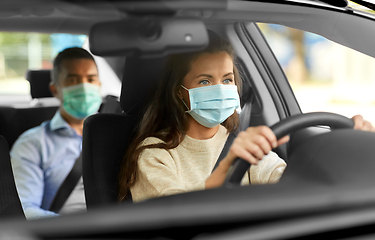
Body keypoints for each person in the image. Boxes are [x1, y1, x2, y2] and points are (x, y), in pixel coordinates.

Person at [118, 31, 375, 203]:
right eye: (205, 81)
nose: (220, 88)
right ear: (180, 92)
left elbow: (289, 184)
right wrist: (229, 164)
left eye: (227, 79)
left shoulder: (239, 143)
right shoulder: (154, 153)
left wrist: (349, 151)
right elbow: (174, 217)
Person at [10, 47, 102, 219]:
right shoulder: (32, 144)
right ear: (55, 90)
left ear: (99, 85)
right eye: (73, 80)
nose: (84, 87)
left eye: (91, 79)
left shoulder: (120, 136)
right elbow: (24, 210)